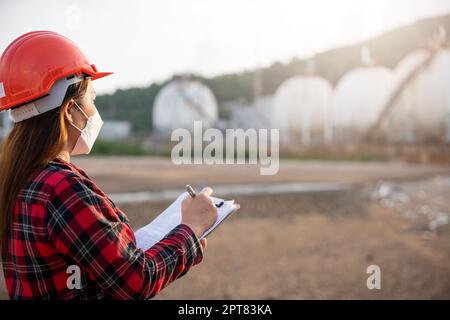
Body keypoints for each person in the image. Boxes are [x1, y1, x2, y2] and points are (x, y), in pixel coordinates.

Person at [0, 31, 238, 299]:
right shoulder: (61, 189)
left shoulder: (20, 177)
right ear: (70, 111)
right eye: (92, 100)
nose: (93, 112)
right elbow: (136, 280)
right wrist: (191, 229)